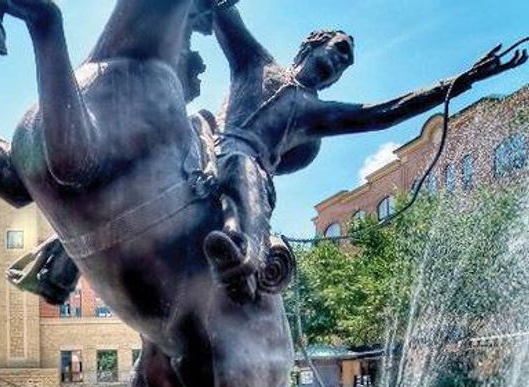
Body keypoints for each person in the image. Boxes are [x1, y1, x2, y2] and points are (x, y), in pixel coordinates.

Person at [203, 5, 526, 298]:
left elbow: (384, 113)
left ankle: (239, 255)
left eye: (346, 63)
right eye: (339, 49)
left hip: (253, 176)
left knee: (247, 169)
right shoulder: (256, 62)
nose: (341, 61)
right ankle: (235, 242)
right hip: (212, 149)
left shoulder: (316, 113)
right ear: (311, 45)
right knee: (227, 153)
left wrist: (464, 79)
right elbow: (223, 13)